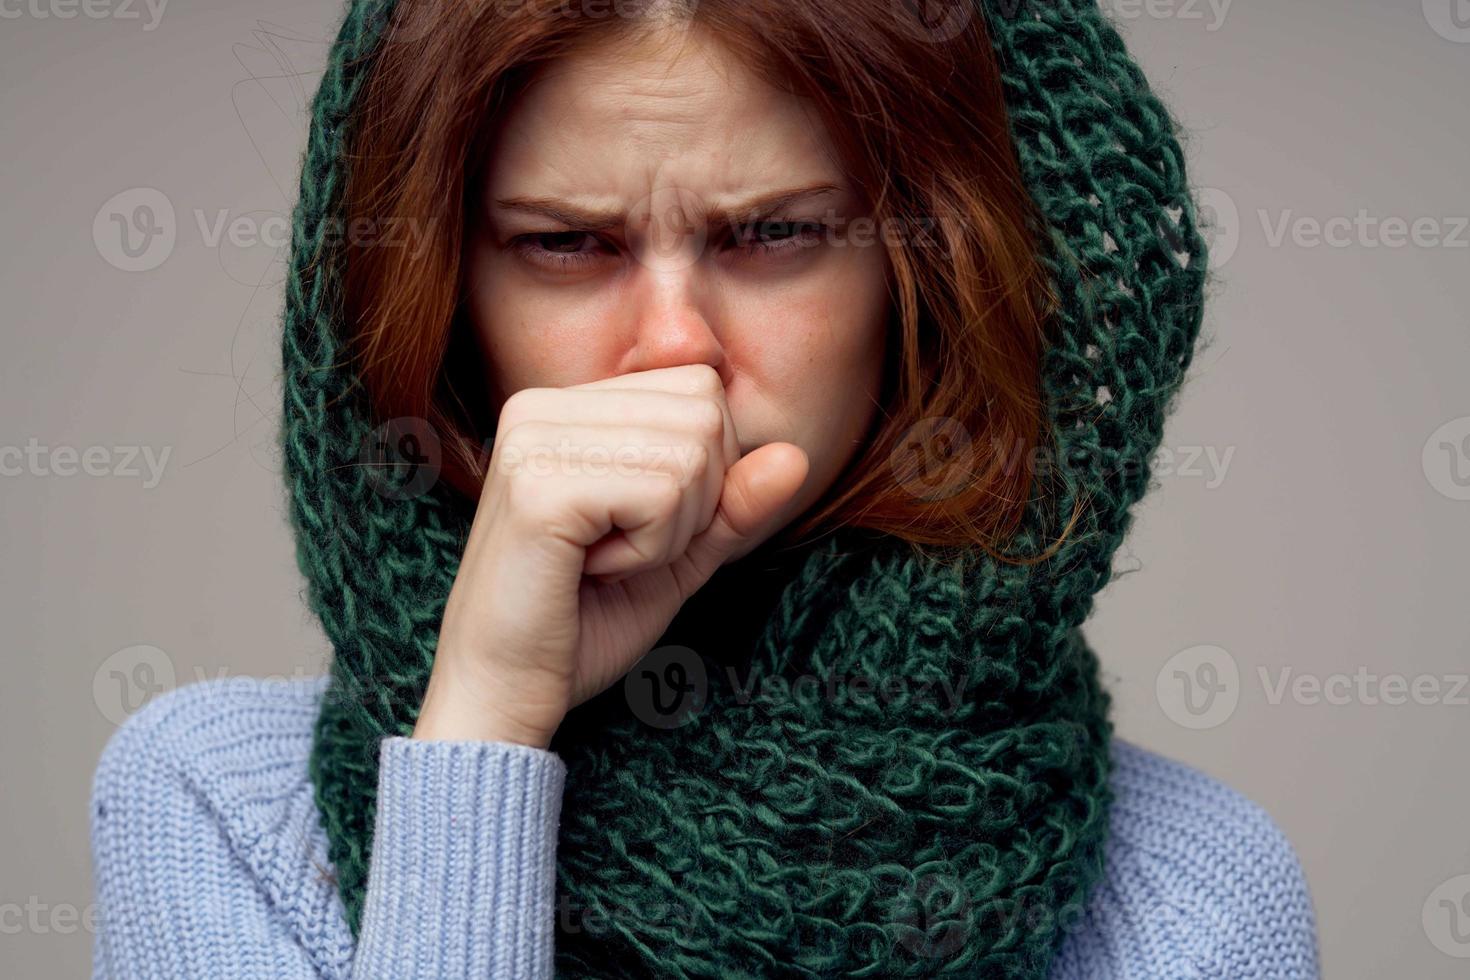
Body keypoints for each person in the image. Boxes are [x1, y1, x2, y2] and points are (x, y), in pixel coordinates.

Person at [90, 0, 1320, 976]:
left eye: (774, 234)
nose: (676, 346)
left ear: (924, 276)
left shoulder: (1193, 895)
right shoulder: (218, 809)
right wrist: (480, 724)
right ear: (444, 296)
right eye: (566, 244)